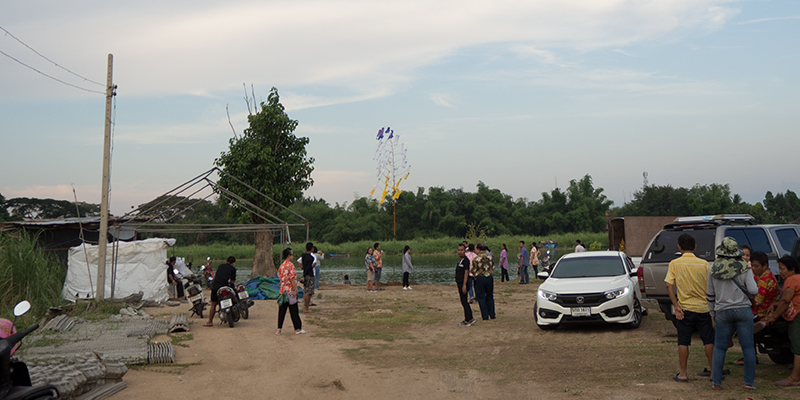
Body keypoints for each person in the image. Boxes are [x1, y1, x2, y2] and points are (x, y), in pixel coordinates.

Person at [706, 237, 758, 391]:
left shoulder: (714, 268)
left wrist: (712, 312)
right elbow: (753, 290)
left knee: (720, 347)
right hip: (743, 310)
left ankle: (716, 383)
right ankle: (749, 383)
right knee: (748, 347)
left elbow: (710, 294)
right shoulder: (744, 266)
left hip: (722, 311)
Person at [665, 233, 715, 383]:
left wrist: (675, 305)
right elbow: (712, 286)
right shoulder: (705, 264)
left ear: (679, 247)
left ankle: (683, 373)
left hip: (685, 309)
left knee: (683, 341)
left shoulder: (674, 264)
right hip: (703, 308)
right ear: (695, 247)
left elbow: (668, 285)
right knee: (708, 340)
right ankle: (714, 372)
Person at [762, 256, 800, 387]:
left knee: (797, 347)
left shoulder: (791, 280)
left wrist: (774, 316)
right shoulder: (798, 278)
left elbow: (786, 300)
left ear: (792, 269)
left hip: (797, 316)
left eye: (783, 269)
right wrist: (775, 304)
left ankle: (794, 378)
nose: (780, 272)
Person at [276, 248, 305, 335]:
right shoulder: (291, 265)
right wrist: (295, 289)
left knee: (282, 310)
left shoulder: (281, 266)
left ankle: (279, 329)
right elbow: (292, 278)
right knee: (294, 310)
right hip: (290, 290)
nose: (293, 256)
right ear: (289, 255)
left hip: (282, 290)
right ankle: (297, 328)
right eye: (292, 254)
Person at [204, 256, 237, 327]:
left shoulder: (220, 266)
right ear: (233, 263)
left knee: (213, 304)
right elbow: (232, 281)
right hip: (225, 286)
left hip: (215, 287)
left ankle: (210, 321)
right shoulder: (233, 269)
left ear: (226, 261)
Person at [471, 244, 496, 320]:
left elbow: (473, 270)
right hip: (489, 277)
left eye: (476, 249)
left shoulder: (476, 259)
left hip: (480, 278)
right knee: (490, 296)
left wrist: (476, 275)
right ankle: (492, 314)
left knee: (481, 297)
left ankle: (485, 316)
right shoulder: (490, 257)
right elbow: (493, 267)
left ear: (478, 250)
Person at [455, 243, 475, 326]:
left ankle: (468, 320)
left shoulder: (466, 260)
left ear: (465, 251)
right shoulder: (461, 260)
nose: (460, 252)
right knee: (463, 301)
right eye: (459, 250)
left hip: (464, 284)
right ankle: (470, 318)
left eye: (462, 250)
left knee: (464, 302)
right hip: (459, 283)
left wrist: (464, 284)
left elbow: (466, 272)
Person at [300, 242, 316, 313]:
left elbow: (303, 265)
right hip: (309, 275)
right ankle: (306, 308)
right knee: (309, 292)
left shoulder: (303, 256)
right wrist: (304, 275)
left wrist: (303, 274)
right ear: (312, 249)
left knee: (306, 290)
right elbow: (309, 267)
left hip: (305, 274)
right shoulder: (311, 258)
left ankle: (306, 307)